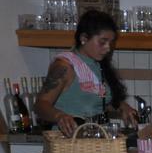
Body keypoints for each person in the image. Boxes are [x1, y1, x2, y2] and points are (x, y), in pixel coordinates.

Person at [34, 9, 136, 137]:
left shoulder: (98, 65)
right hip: (69, 140)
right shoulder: (64, 66)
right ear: (83, 38)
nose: (108, 48)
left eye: (111, 43)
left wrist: (121, 106)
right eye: (102, 42)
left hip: (95, 139)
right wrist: (59, 116)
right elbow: (40, 105)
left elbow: (95, 102)